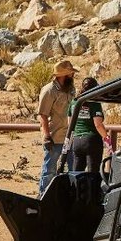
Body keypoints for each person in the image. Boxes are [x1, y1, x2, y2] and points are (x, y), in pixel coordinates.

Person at [37, 59, 76, 196]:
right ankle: (44, 196)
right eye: (71, 73)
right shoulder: (49, 91)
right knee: (50, 170)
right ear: (63, 75)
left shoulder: (70, 90)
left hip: (70, 137)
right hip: (55, 136)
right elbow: (43, 115)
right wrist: (47, 136)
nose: (73, 76)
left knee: (72, 169)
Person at [67, 77, 108, 174]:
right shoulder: (94, 103)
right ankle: (91, 189)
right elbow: (98, 124)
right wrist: (106, 137)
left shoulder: (74, 102)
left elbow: (69, 124)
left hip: (77, 140)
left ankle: (76, 188)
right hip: (91, 140)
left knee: (76, 172)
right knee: (92, 172)